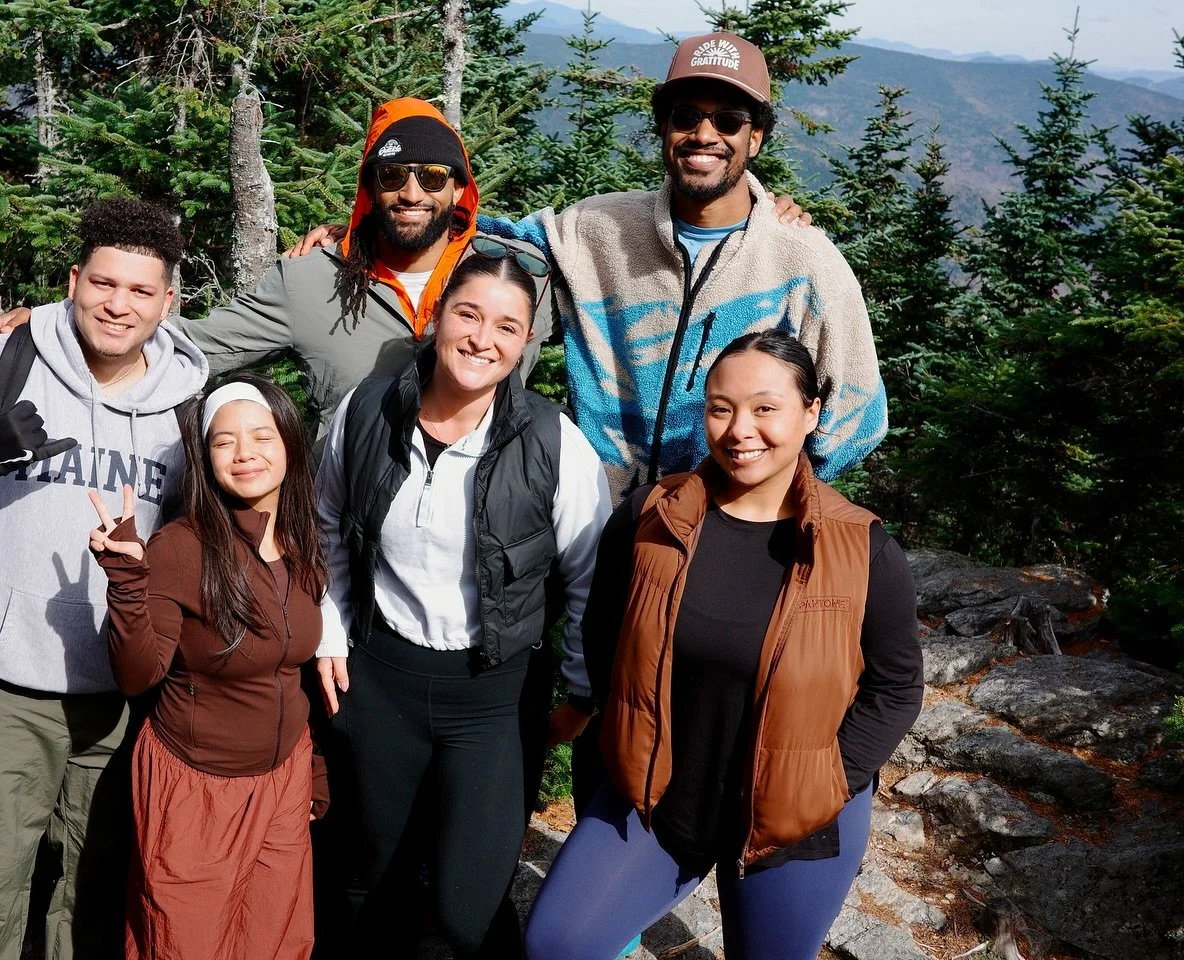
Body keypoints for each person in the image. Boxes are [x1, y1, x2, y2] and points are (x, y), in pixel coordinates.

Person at [291, 33, 880, 500]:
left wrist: (757, 492)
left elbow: (859, 414)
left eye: (728, 120)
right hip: (607, 527)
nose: (704, 134)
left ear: (756, 139)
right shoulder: (597, 230)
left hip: (733, 533)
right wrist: (368, 228)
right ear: (663, 128)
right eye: (685, 116)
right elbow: (479, 233)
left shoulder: (804, 261)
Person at [0, 199, 209, 959]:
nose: (116, 304)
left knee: (91, 895)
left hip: (120, 698)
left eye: (138, 291)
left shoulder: (187, 408)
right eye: (102, 282)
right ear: (72, 280)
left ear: (168, 303)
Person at [521, 330, 923, 960]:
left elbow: (895, 688)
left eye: (766, 408)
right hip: (660, 792)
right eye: (720, 407)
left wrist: (829, 779)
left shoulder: (861, 549)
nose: (741, 430)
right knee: (558, 943)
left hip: (796, 812)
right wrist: (617, 732)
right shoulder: (651, 517)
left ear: (811, 412)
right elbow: (602, 635)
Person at [313, 251, 611, 958]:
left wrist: (579, 692)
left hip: (494, 697)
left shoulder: (555, 445)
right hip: (378, 675)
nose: (483, 339)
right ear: (439, 315)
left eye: (508, 326)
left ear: (527, 341)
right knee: (365, 878)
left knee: (461, 903)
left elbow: (592, 581)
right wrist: (329, 628)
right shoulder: (366, 410)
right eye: (469, 314)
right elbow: (324, 521)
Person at [0, 97, 554, 436]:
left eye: (432, 177)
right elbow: (192, 344)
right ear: (370, 187)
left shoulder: (518, 282)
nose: (411, 192)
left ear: (459, 190)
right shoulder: (310, 280)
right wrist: (58, 319)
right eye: (393, 175)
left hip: (483, 532)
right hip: (348, 534)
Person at [88, 376, 343, 960]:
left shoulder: (304, 540)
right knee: (186, 943)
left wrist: (313, 767)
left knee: (277, 940)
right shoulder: (182, 547)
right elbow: (138, 675)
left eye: (261, 435)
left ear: (290, 445)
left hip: (283, 778)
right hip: (197, 786)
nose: (245, 453)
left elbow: (292, 672)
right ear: (205, 459)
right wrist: (128, 584)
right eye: (225, 442)